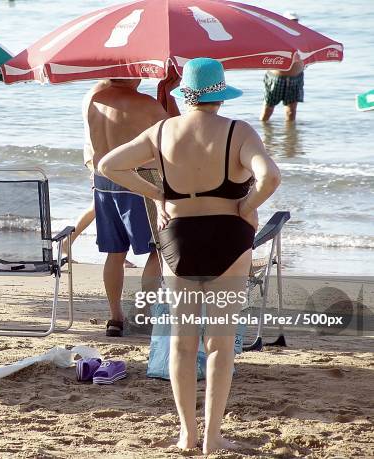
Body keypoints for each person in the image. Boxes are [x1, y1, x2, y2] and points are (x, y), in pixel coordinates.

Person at [99, 58, 281, 454]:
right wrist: (247, 205)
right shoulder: (239, 131)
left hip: (179, 237)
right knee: (220, 343)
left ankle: (187, 435)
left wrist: (157, 194)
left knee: (183, 342)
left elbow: (108, 165)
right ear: (220, 93)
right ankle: (213, 436)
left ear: (186, 95)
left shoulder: (163, 130)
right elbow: (271, 176)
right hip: (231, 238)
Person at [84, 78, 168, 337]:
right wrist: (166, 93)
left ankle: (115, 317)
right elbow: (176, 134)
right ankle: (144, 313)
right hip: (137, 182)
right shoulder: (146, 104)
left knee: (115, 253)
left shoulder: (93, 98)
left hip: (103, 182)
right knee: (158, 249)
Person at [260, 12, 304, 122]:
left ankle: (290, 138)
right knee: (268, 110)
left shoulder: (303, 36)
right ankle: (263, 136)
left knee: (291, 112)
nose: (293, 24)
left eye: (295, 22)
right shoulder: (275, 35)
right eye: (290, 22)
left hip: (296, 78)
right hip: (276, 78)